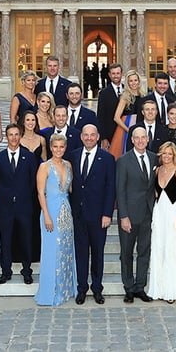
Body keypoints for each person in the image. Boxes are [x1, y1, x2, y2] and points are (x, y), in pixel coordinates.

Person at [68, 124, 116, 305]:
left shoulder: (108, 158)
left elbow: (110, 188)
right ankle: (81, 289)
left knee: (97, 253)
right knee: (80, 253)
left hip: (98, 216)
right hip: (78, 214)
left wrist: (107, 214)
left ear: (97, 137)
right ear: (81, 137)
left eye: (92, 135)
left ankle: (97, 288)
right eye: (86, 135)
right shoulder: (73, 155)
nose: (89, 138)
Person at [0, 124, 39, 285]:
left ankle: (27, 271)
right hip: (5, 207)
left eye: (16, 134)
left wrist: (21, 195)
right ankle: (6, 271)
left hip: (24, 206)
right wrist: (7, 196)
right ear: (6, 137)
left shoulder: (29, 156)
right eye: (10, 134)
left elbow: (33, 180)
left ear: (20, 136)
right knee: (6, 239)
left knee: (26, 239)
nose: (13, 138)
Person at [148, 141, 176, 303]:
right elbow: (155, 193)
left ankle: (172, 290)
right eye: (164, 153)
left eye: (170, 154)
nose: (167, 156)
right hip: (160, 213)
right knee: (160, 249)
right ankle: (160, 288)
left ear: (174, 155)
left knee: (173, 250)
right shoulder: (157, 170)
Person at [34, 134, 77, 305]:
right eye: (55, 147)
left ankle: (65, 289)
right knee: (51, 252)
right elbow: (40, 193)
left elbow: (71, 189)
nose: (58, 150)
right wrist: (46, 215)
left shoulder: (68, 165)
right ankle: (50, 292)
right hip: (50, 212)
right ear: (51, 147)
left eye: (61, 147)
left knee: (66, 250)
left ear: (65, 148)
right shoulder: (44, 167)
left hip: (66, 212)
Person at [116, 127, 156, 303]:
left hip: (148, 213)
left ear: (147, 139)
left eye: (143, 137)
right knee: (126, 253)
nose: (140, 141)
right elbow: (120, 190)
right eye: (136, 138)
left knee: (144, 251)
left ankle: (140, 287)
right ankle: (129, 288)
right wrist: (123, 216)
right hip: (129, 215)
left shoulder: (155, 158)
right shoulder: (124, 161)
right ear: (132, 140)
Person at [19, 110, 45, 262]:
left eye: (33, 120)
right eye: (27, 120)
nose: (30, 123)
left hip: (37, 184)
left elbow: (45, 161)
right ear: (23, 121)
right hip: (21, 183)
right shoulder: (18, 139)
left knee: (35, 218)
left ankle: (36, 253)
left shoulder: (41, 140)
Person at [110, 70, 145, 158]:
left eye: (135, 80)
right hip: (126, 126)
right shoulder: (125, 97)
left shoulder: (143, 95)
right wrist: (128, 130)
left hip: (140, 124)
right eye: (131, 81)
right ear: (127, 82)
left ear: (139, 81)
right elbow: (116, 117)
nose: (133, 83)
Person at [97, 63, 123, 150]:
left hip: (125, 131)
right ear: (109, 75)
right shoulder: (104, 93)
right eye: (113, 73)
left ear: (121, 74)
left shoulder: (128, 90)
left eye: (118, 73)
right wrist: (104, 138)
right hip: (110, 133)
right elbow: (100, 116)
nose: (116, 76)